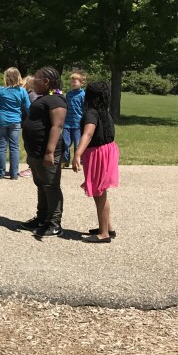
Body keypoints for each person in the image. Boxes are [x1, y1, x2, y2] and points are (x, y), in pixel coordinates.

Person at [20, 66, 68, 239]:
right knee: (41, 185)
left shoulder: (56, 100)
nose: (33, 81)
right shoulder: (44, 98)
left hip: (47, 153)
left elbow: (57, 126)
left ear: (46, 82)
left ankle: (54, 223)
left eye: (37, 79)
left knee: (51, 186)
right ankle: (41, 218)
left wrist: (50, 152)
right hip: (36, 152)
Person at [72, 81, 120, 243]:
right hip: (108, 150)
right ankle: (107, 227)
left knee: (99, 193)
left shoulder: (91, 113)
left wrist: (77, 153)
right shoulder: (104, 112)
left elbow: (88, 134)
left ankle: (104, 233)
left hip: (98, 153)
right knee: (101, 191)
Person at [0, 67, 31, 180]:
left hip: (1, 120)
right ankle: (14, 174)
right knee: (14, 147)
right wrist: (33, 118)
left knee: (1, 147)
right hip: (15, 121)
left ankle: (1, 173)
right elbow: (28, 107)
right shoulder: (22, 91)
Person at [62, 71, 87, 168]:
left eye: (75, 82)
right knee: (65, 143)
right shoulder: (68, 94)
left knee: (78, 144)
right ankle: (65, 160)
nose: (72, 83)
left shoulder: (83, 95)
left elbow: (85, 109)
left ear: (82, 83)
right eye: (71, 82)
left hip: (78, 123)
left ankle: (78, 162)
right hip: (67, 123)